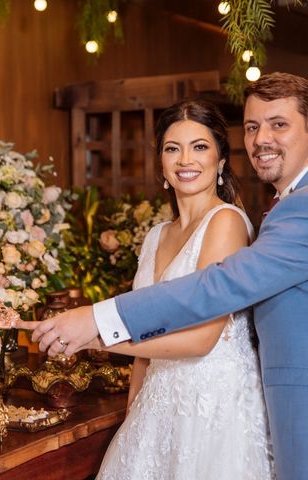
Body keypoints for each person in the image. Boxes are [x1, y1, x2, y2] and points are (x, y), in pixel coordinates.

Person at [20, 73, 308, 480]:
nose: (262, 138)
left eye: (278, 124)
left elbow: (220, 286)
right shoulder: (307, 198)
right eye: (252, 127)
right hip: (296, 411)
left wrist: (98, 323)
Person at [92, 99, 274, 479]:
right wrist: (133, 413)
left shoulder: (226, 223)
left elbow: (202, 339)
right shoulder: (155, 236)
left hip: (213, 408)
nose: (185, 160)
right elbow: (144, 333)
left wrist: (96, 337)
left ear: (221, 160)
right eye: (173, 148)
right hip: (157, 408)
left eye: (200, 147)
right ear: (161, 161)